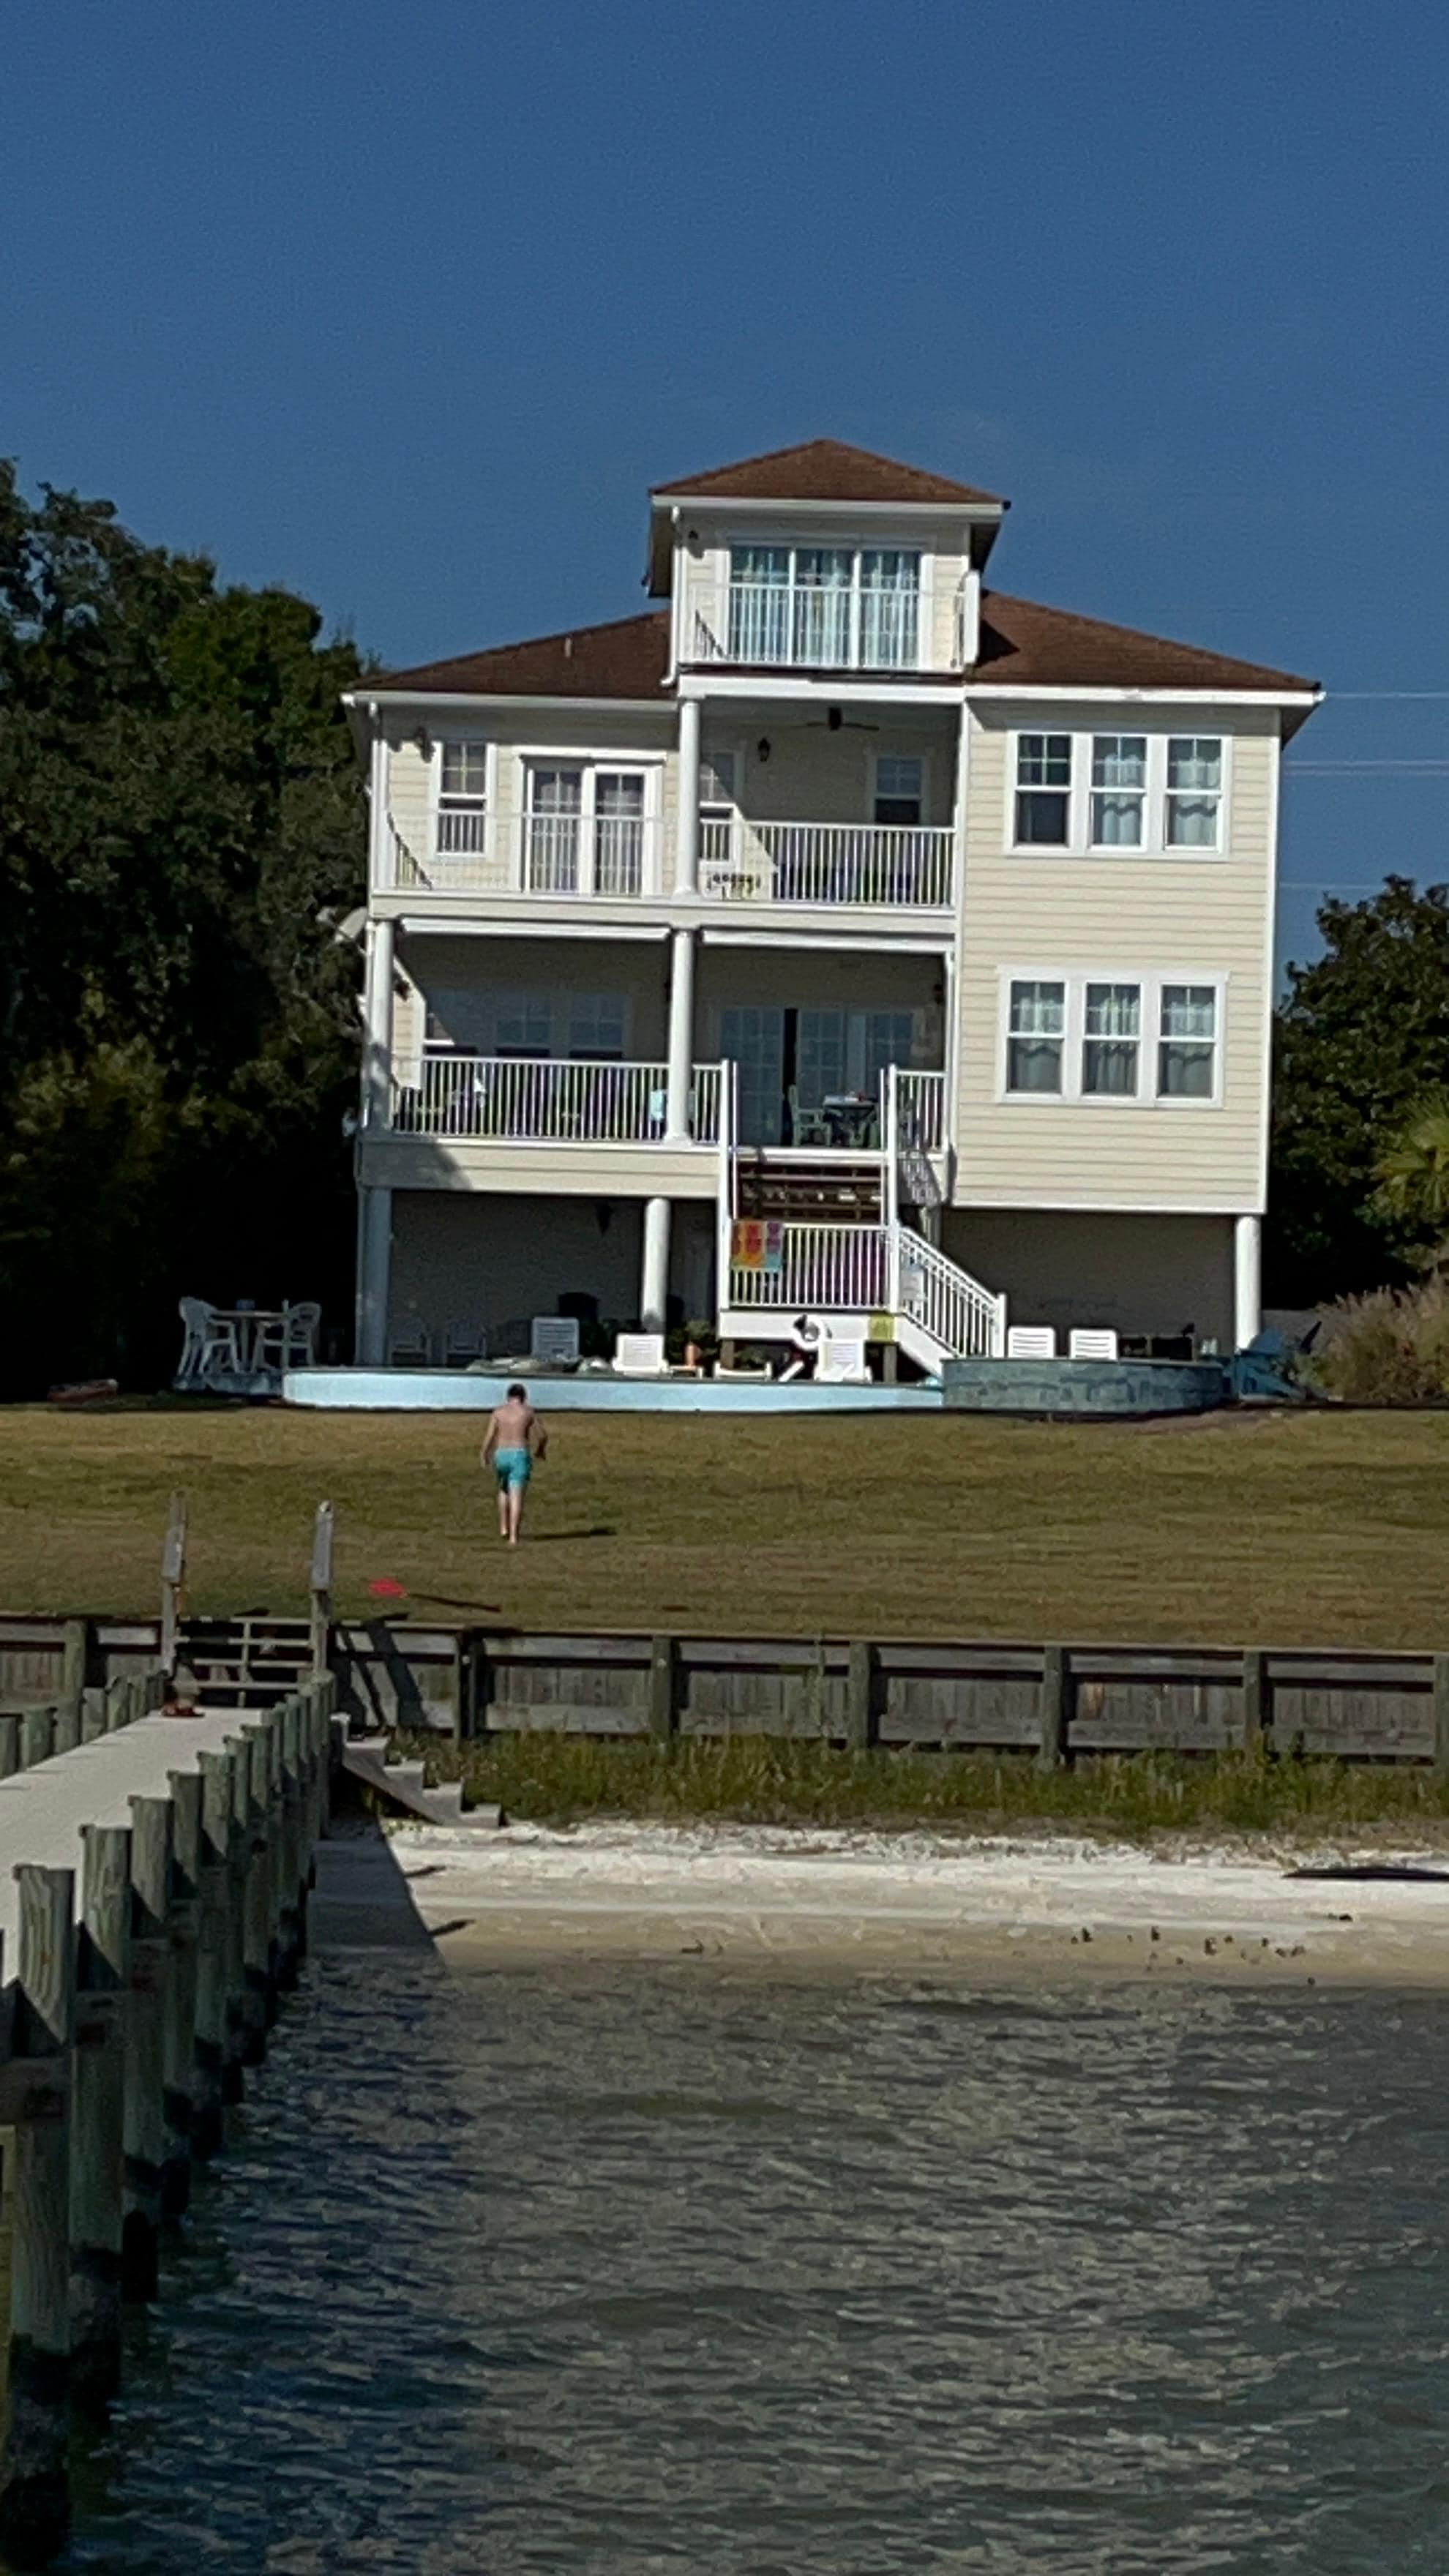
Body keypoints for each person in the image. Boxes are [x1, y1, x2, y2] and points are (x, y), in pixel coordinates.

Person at [482, 1382, 547, 1546]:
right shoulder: (528, 1412)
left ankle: (504, 1527)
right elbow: (542, 1435)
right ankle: (513, 1537)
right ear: (523, 1397)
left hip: (501, 1454)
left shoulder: (498, 1412)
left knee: (503, 1490)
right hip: (519, 1453)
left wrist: (484, 1454)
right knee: (516, 1495)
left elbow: (490, 1435)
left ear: (508, 1396)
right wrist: (540, 1450)